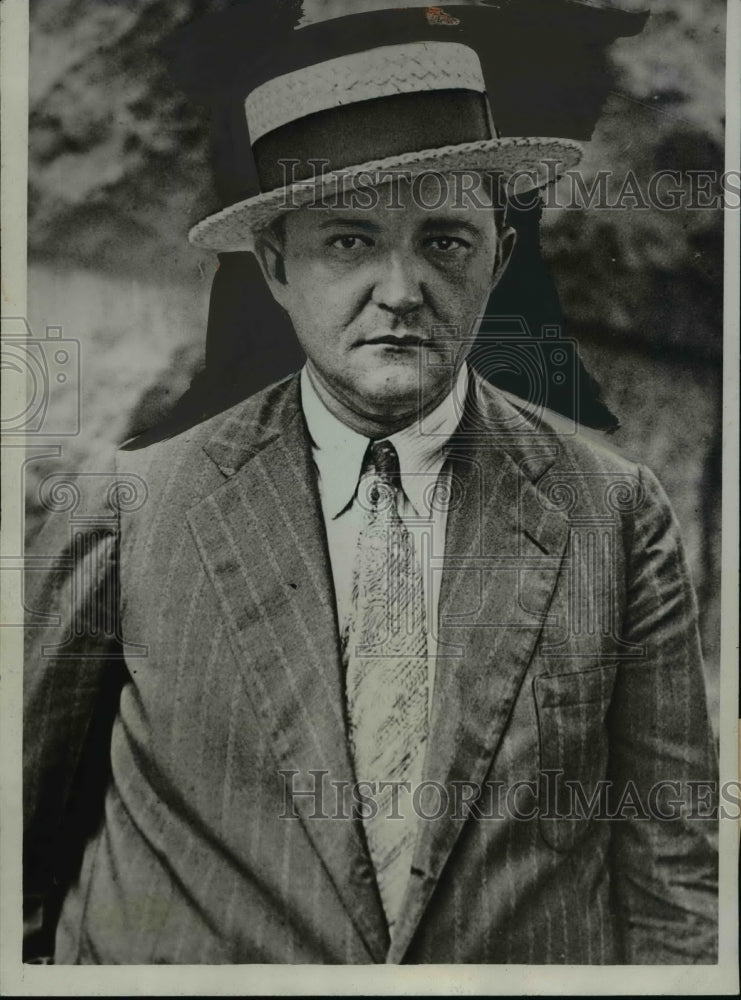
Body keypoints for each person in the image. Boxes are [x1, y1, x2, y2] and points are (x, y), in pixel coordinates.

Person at [24, 10, 718, 966]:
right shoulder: (127, 507)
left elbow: (674, 888)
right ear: (275, 264)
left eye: (444, 241)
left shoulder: (612, 512)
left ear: (497, 260)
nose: (401, 288)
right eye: (349, 242)